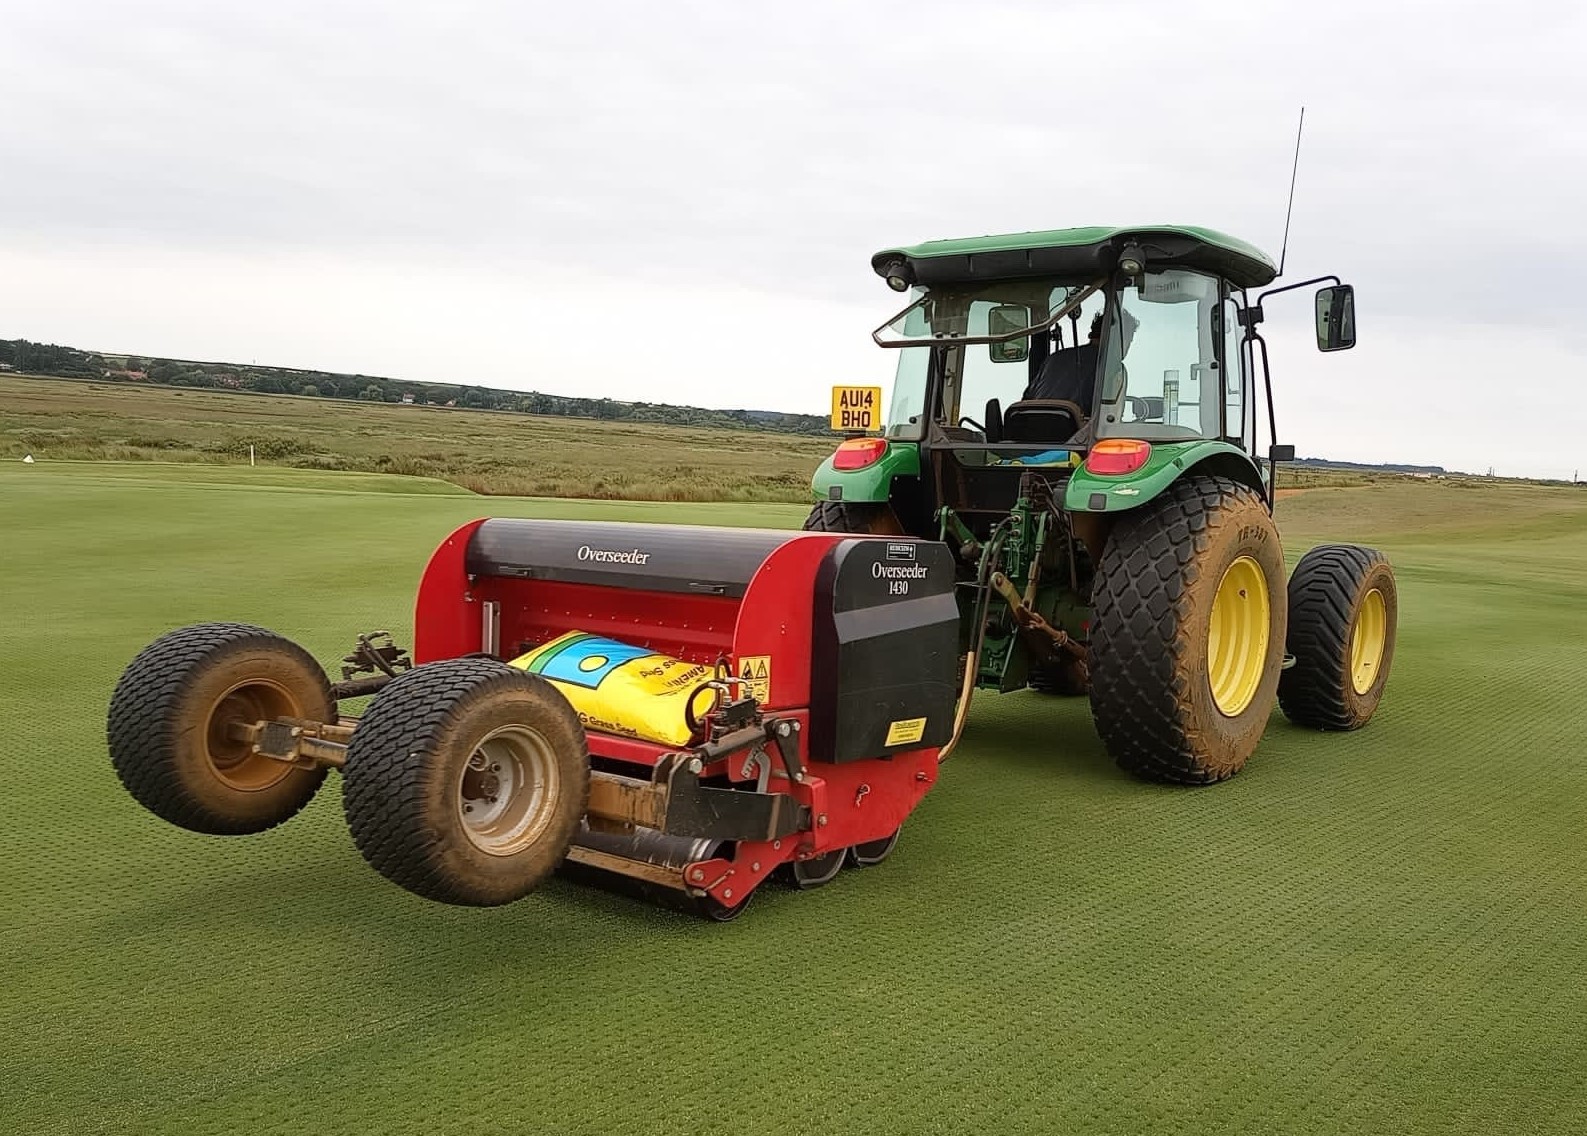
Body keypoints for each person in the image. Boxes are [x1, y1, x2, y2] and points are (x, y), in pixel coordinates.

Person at [1024, 309, 1137, 411]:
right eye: (1129, 340)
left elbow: (1027, 399)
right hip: (1079, 432)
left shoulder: (1053, 358)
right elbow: (1112, 415)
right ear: (1120, 338)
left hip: (1030, 429)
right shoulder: (1113, 367)